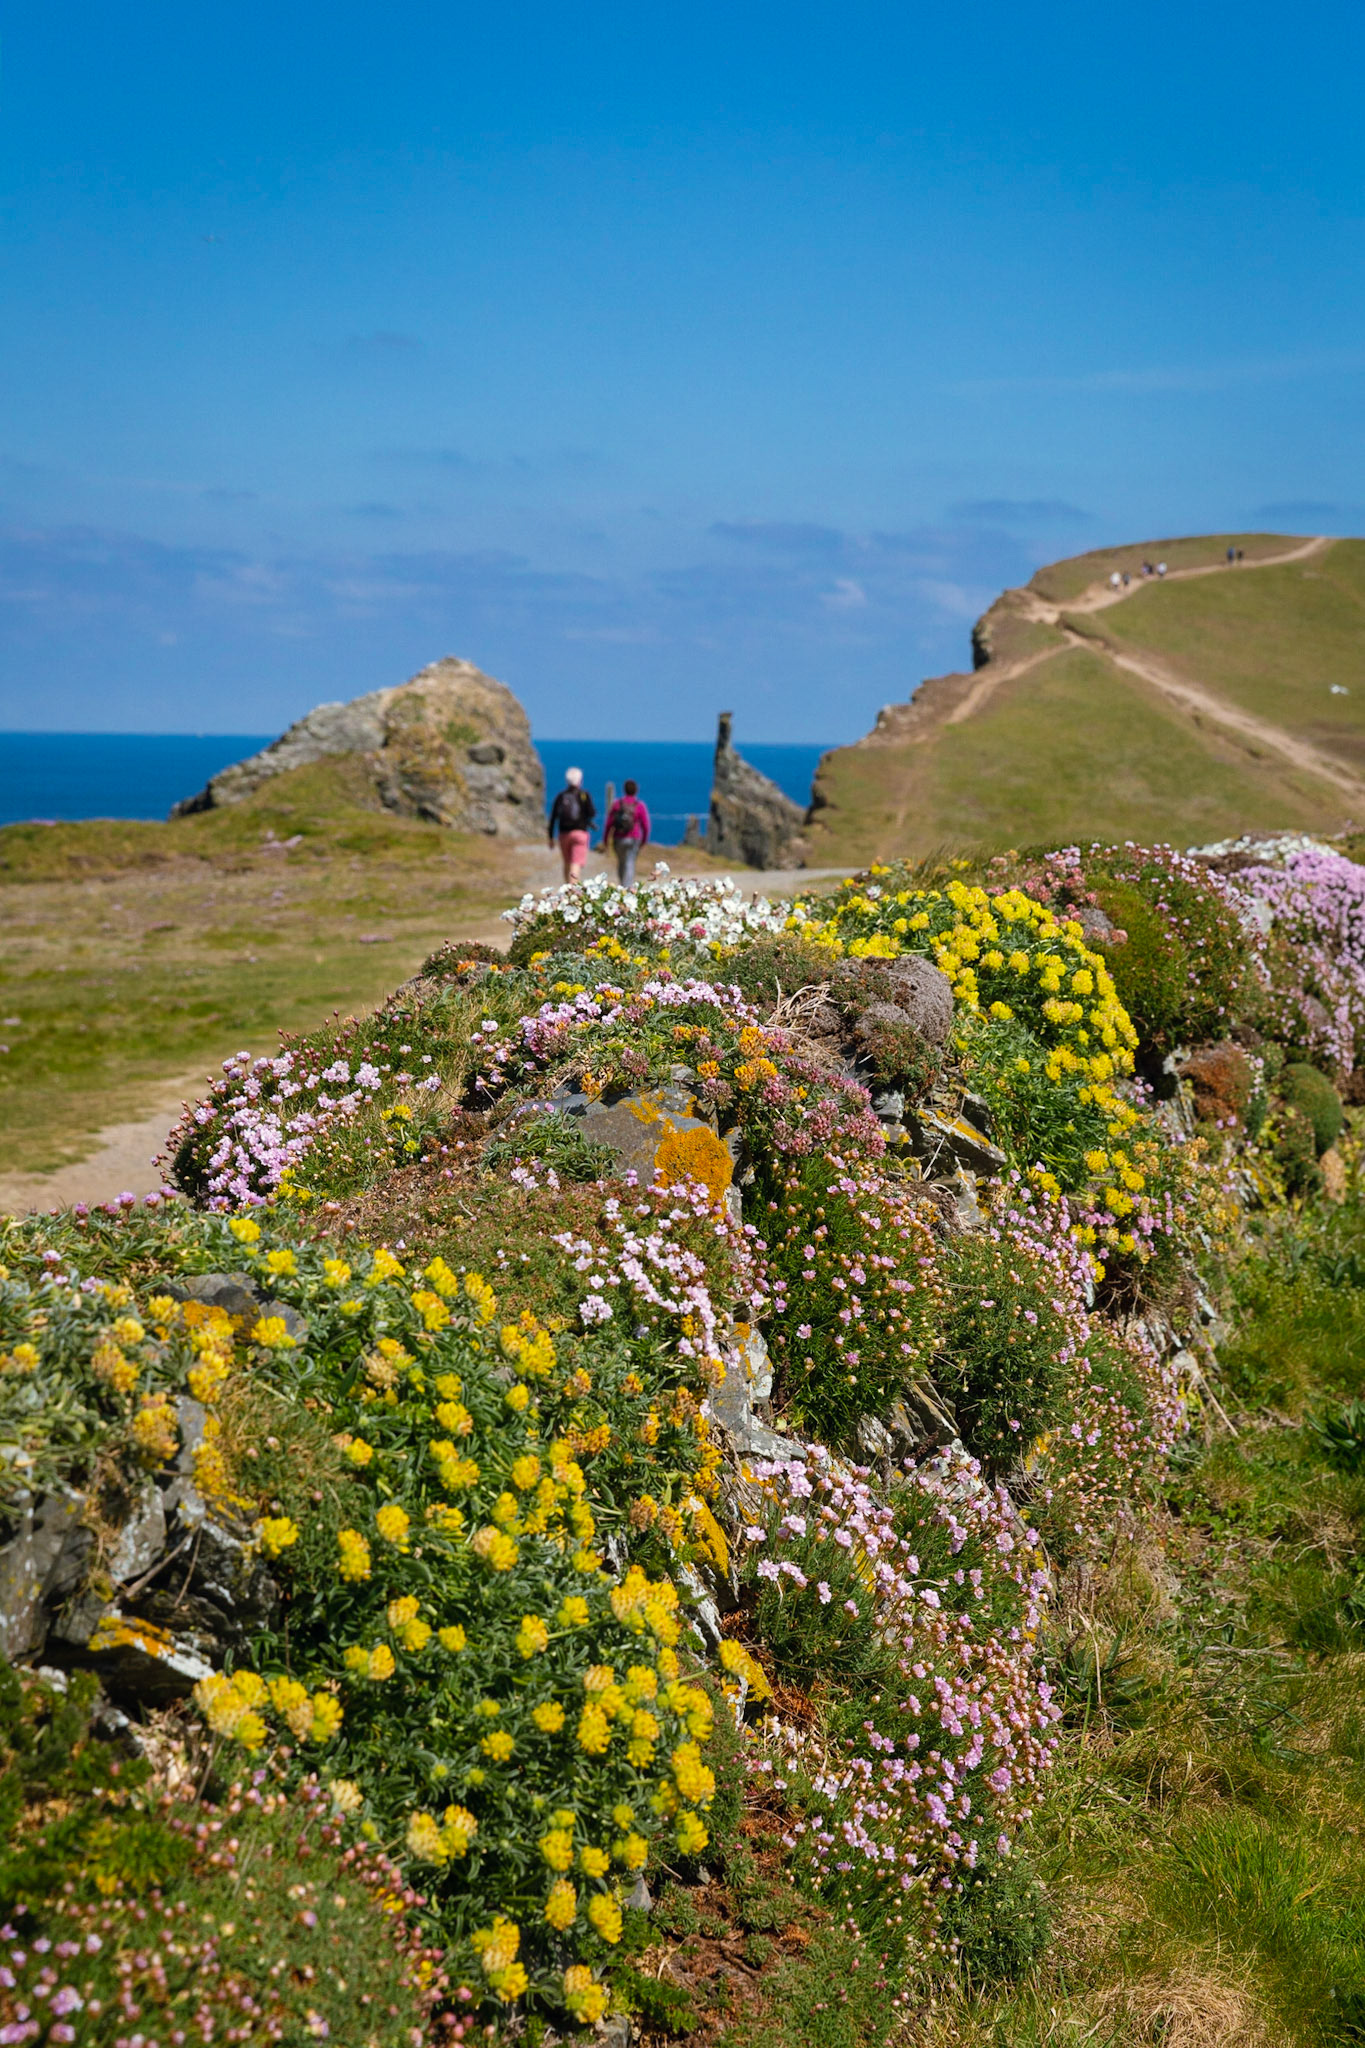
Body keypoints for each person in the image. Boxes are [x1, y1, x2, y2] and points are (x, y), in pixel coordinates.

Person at [548, 767, 596, 882]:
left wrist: (550, 837)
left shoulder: (561, 796)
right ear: (580, 780)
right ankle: (573, 891)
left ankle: (567, 890)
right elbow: (592, 813)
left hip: (564, 834)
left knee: (567, 862)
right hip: (580, 833)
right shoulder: (584, 795)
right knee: (576, 863)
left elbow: (553, 817)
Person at [603, 778, 651, 887]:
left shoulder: (617, 804)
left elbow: (609, 824)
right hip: (634, 838)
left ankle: (622, 885)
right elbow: (645, 825)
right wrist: (644, 841)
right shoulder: (639, 805)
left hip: (618, 838)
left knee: (621, 862)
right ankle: (627, 887)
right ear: (636, 790)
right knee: (630, 863)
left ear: (624, 789)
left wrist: (606, 840)